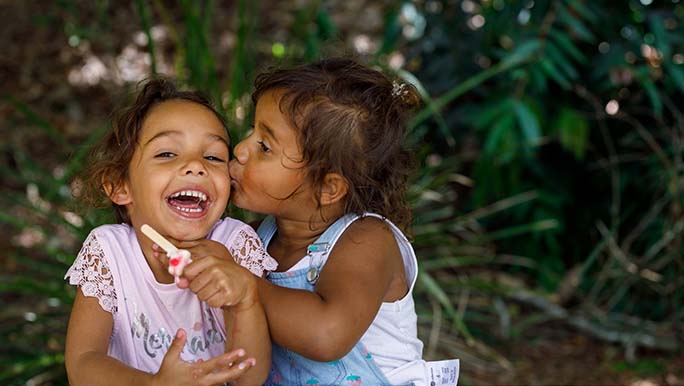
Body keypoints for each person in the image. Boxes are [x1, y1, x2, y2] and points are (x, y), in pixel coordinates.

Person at [169, 57, 459, 385]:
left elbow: (328, 335)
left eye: (264, 146)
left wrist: (244, 284)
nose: (242, 149)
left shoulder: (367, 240)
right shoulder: (255, 238)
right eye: (252, 132)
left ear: (326, 188)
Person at [64, 78, 277, 386]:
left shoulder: (236, 245)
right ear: (120, 186)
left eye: (214, 156)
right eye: (166, 154)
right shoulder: (109, 253)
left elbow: (251, 378)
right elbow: (82, 364)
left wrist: (245, 299)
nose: (195, 166)